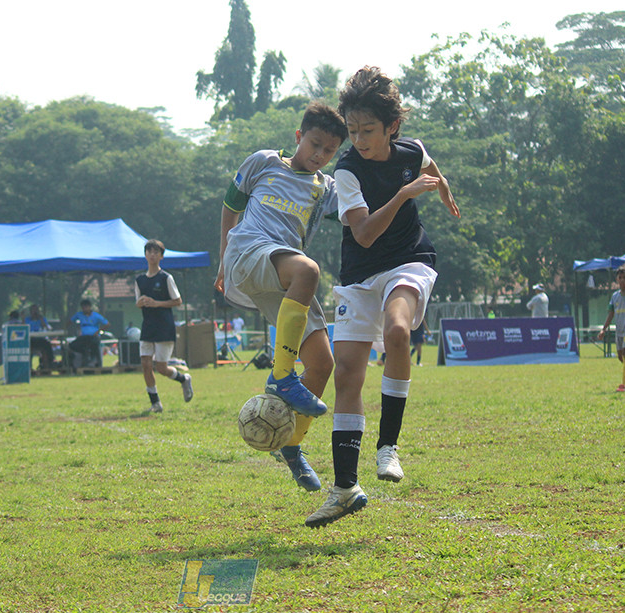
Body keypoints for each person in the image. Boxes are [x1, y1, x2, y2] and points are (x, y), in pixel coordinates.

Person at [306, 67, 460, 528]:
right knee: (348, 374)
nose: (358, 139)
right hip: (360, 272)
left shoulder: (410, 151)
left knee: (397, 330)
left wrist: (444, 190)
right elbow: (367, 234)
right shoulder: (348, 170)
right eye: (352, 130)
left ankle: (388, 449)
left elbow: (427, 166)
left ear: (392, 126)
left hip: (410, 261)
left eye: (367, 130)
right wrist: (404, 193)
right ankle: (344, 489)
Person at [216, 101, 348, 492]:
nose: (320, 154)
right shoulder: (264, 162)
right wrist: (223, 257)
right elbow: (230, 206)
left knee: (324, 365)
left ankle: (291, 447)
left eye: (329, 150)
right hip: (248, 253)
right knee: (308, 268)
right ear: (298, 137)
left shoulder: (326, 189)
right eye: (314, 144)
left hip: (283, 276)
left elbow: (359, 212)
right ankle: (280, 377)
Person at [136, 239, 193, 412]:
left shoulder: (166, 278)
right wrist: (142, 302)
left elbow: (177, 300)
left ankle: (183, 379)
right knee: (146, 364)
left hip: (164, 326)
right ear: (145, 255)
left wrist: (156, 303)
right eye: (149, 252)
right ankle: (155, 402)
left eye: (156, 252)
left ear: (161, 256)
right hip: (147, 326)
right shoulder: (139, 280)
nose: (152, 255)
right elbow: (137, 302)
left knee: (161, 367)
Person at [69, 299, 109, 369]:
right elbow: (70, 321)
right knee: (72, 345)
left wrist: (98, 331)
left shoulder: (96, 316)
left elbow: (107, 324)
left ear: (90, 307)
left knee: (94, 345)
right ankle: (83, 357)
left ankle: (96, 364)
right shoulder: (79, 315)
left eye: (86, 307)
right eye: (83, 308)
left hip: (93, 337)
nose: (84, 309)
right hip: (84, 337)